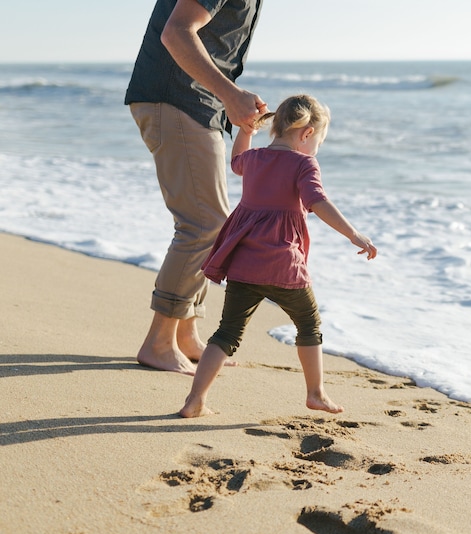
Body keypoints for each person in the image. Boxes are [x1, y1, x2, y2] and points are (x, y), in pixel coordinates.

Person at [178, 94, 378, 418]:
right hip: (284, 266)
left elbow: (236, 161)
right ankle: (316, 393)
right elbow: (318, 202)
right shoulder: (304, 163)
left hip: (243, 263)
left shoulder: (255, 158)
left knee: (227, 333)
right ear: (307, 134)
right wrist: (354, 233)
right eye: (318, 141)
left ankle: (194, 400)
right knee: (309, 325)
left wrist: (245, 131)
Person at [126, 0, 267, 375]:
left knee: (213, 223)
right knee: (204, 224)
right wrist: (231, 95)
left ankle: (186, 334)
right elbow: (177, 32)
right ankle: (158, 342)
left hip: (196, 104)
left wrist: (231, 99)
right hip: (177, 99)